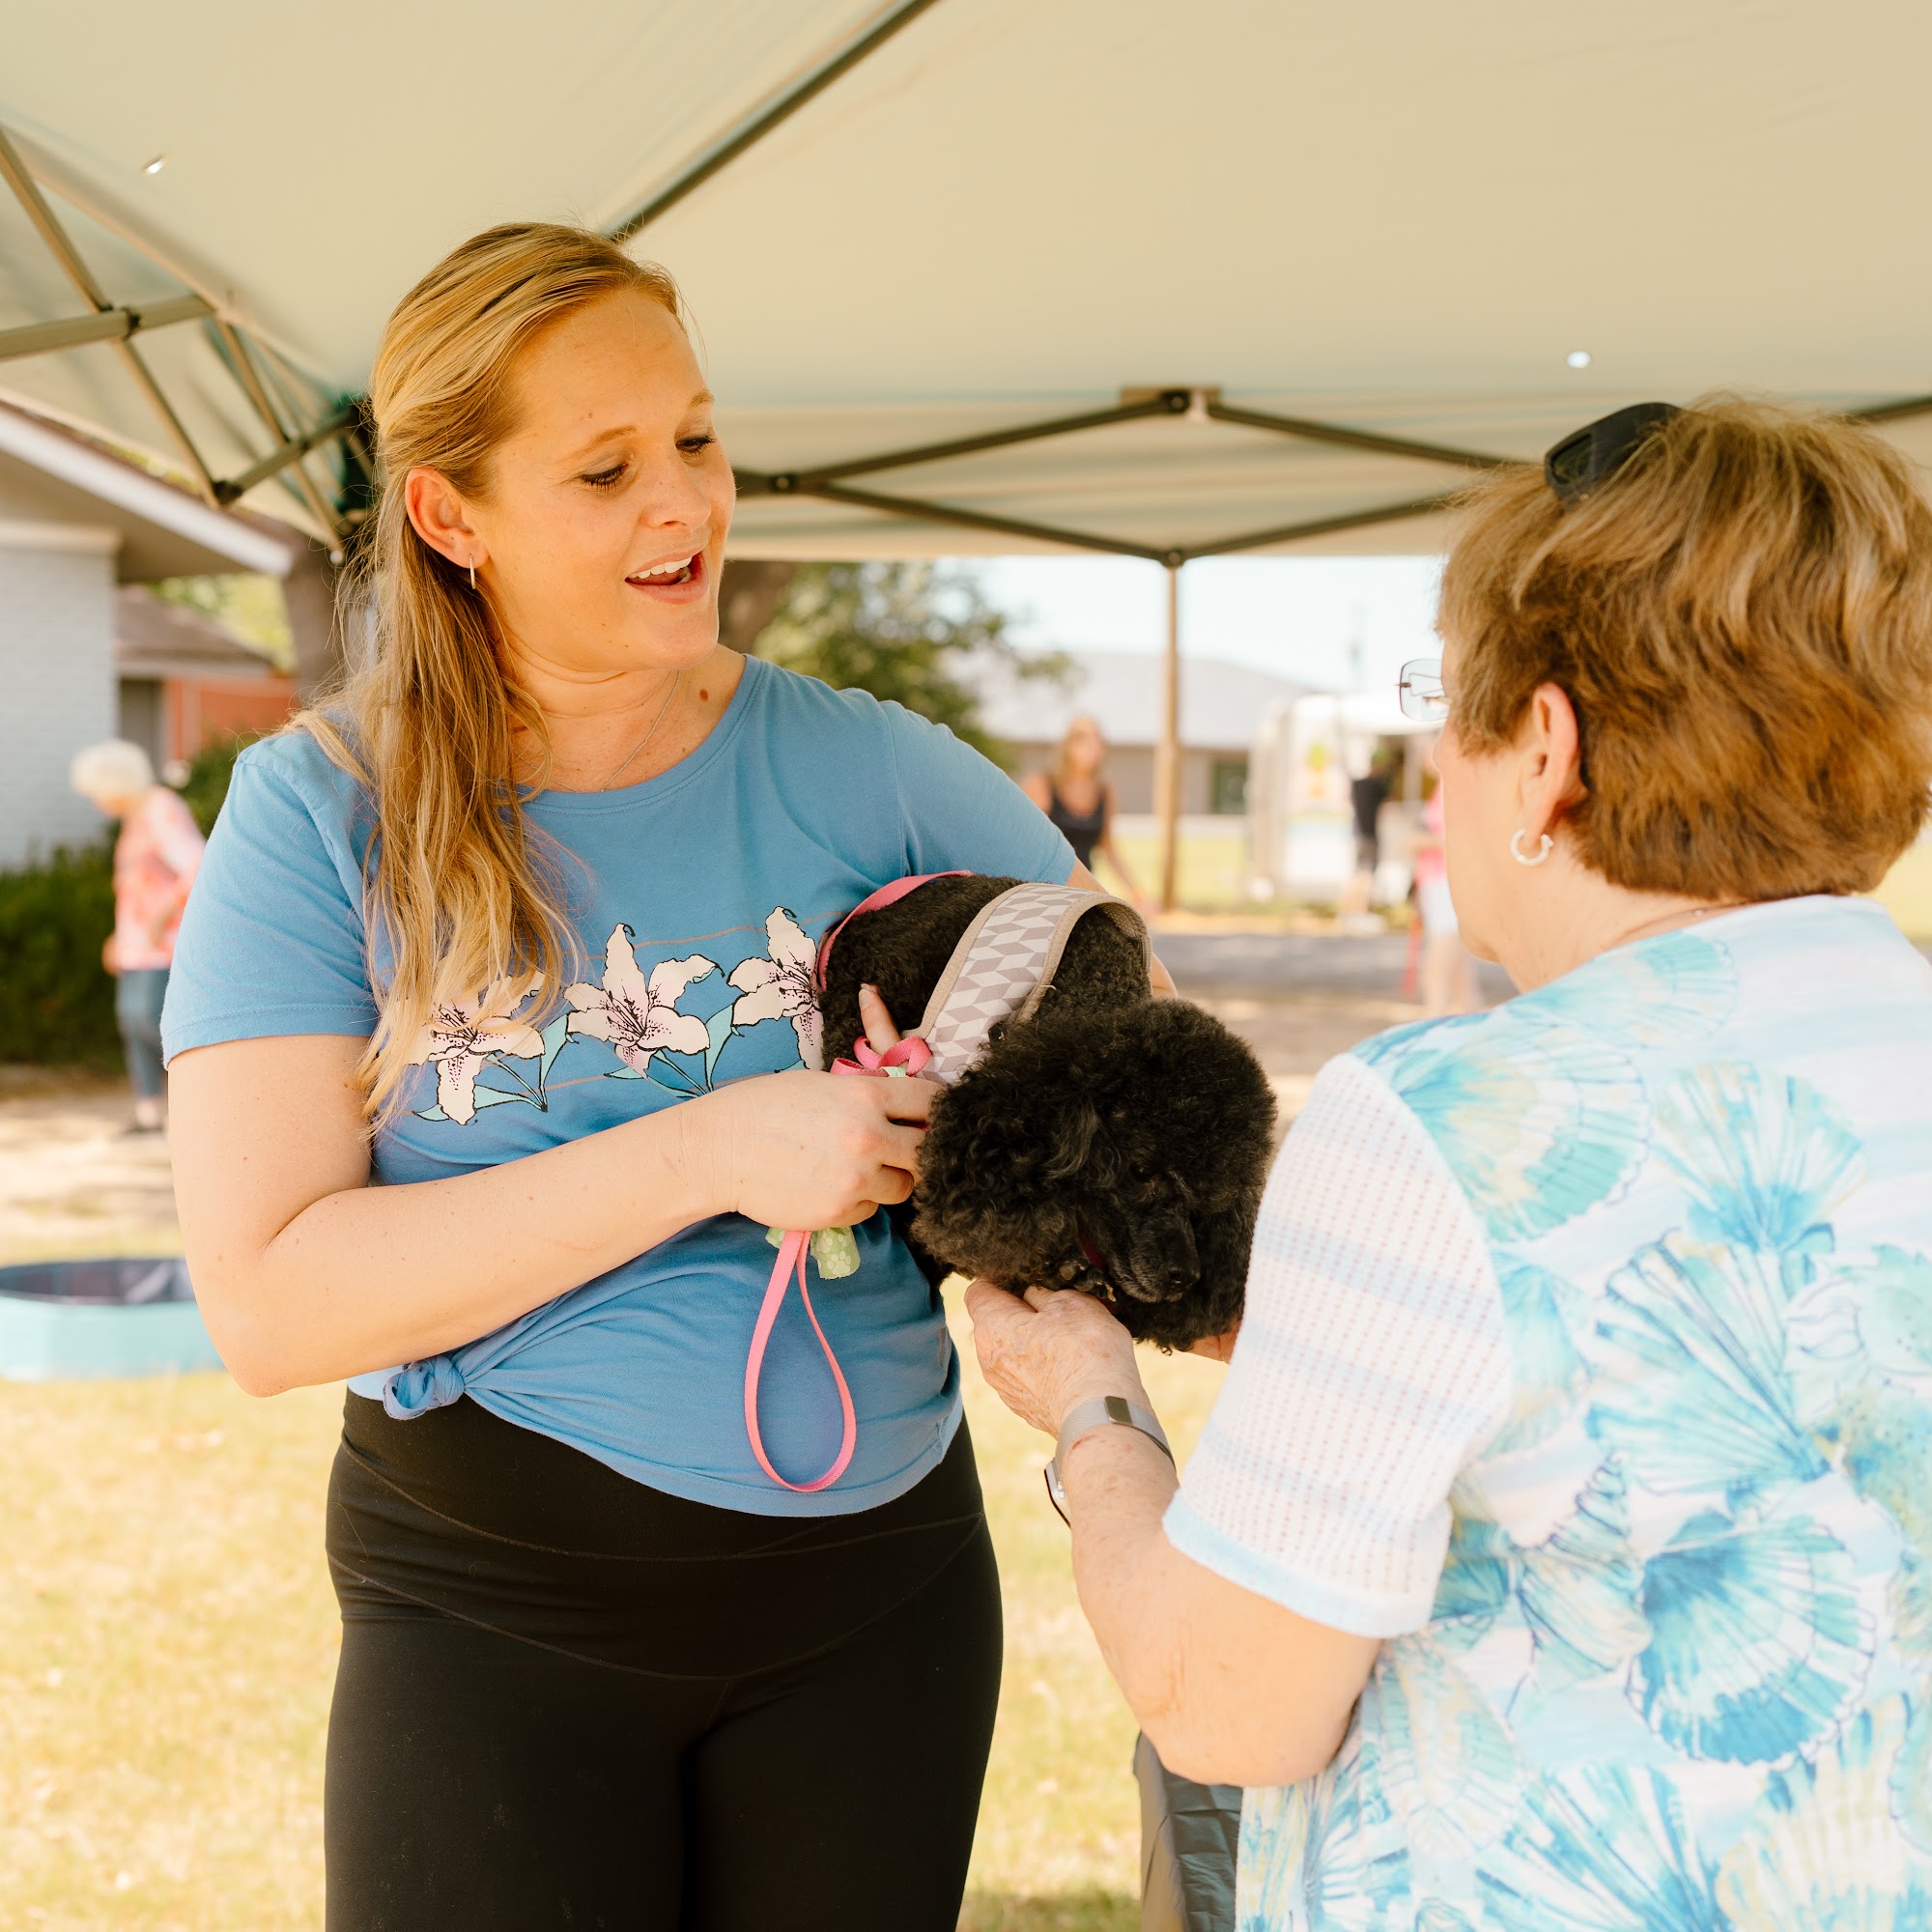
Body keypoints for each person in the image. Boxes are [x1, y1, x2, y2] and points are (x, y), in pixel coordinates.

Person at [159, 223, 1157, 1932]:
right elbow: (267, 1306)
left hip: (876, 1614)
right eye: (607, 469)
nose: (682, 503)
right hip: (489, 1620)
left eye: (696, 441)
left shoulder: (884, 771)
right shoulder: (318, 810)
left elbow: (1143, 1116)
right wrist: (715, 1147)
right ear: (449, 516)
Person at [963, 398, 1932, 1927]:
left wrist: (1089, 1405)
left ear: (1545, 752)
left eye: (1453, 712)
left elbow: (1227, 1705)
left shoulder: (1446, 1117)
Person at [69, 738, 205, 1133]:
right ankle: (148, 1114)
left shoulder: (162, 808)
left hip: (165, 945)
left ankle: (211, 1084)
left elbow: (198, 864)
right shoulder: (134, 819)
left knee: (150, 1019)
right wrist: (118, 938)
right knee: (131, 1023)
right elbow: (134, 889)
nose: (96, 803)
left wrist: (164, 914)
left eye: (96, 793)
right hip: (136, 947)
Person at [1024, 713, 1144, 905]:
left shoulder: (1105, 791)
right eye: (1086, 743)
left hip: (1083, 891)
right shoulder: (1042, 785)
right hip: (1046, 889)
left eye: (1098, 744)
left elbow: (1108, 847)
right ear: (1069, 746)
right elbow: (1028, 842)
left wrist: (1136, 892)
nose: (1094, 750)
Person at [1410, 764, 1480, 1015]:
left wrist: (1419, 842)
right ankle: (1471, 1024)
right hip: (1440, 884)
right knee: (1460, 975)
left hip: (1446, 884)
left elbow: (1459, 837)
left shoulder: (1455, 788)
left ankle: (1433, 1020)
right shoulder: (1443, 789)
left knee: (1438, 970)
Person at [1338, 740, 1395, 923]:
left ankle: (1347, 910)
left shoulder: (1357, 784)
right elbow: (1388, 806)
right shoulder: (1379, 786)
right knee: (1367, 874)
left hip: (1357, 833)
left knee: (1357, 873)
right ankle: (1360, 912)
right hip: (1370, 834)